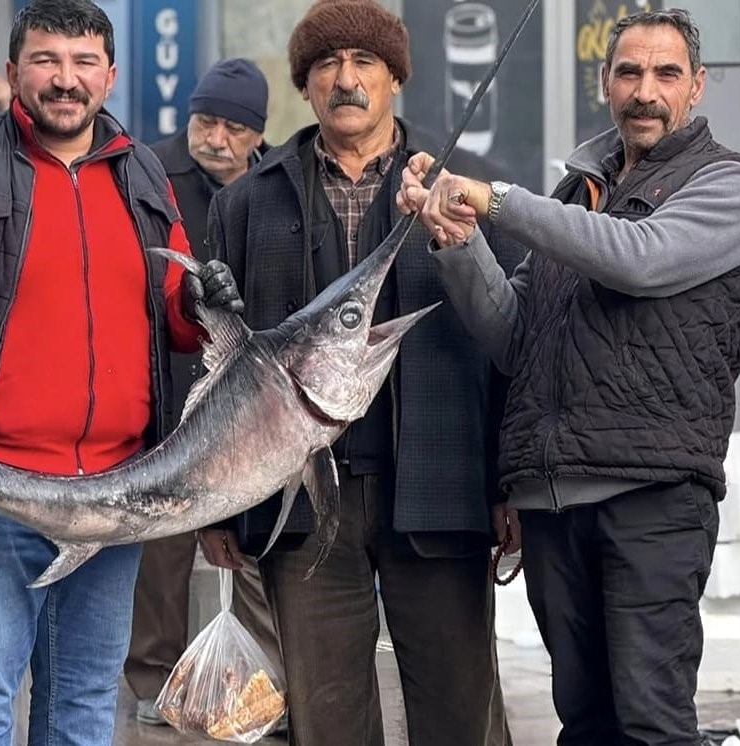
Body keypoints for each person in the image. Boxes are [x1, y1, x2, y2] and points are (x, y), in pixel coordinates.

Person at [0, 1, 244, 744]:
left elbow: (167, 298)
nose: (64, 80)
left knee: (81, 709)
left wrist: (201, 305)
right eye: (45, 61)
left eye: (81, 63)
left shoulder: (142, 170)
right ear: (12, 75)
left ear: (109, 74)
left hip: (113, 496)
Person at [398, 8, 740, 745]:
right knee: (586, 724)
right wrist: (459, 243)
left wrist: (494, 198)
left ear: (697, 86)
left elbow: (639, 258)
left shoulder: (730, 186)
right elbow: (516, 336)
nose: (646, 90)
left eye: (666, 73)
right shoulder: (578, 197)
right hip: (554, 504)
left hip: (653, 499)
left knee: (653, 726)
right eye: (629, 72)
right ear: (604, 82)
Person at [200, 1, 525, 744]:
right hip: (302, 506)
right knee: (328, 720)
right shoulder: (247, 203)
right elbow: (220, 363)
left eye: (364, 64)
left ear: (395, 80)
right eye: (326, 65)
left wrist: (511, 483)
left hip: (441, 494)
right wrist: (220, 504)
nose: (345, 81)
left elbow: (511, 346)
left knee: (459, 714)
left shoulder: (464, 191)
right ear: (305, 86)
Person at [126, 56, 282, 727]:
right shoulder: (150, 173)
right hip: (171, 386)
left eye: (230, 126)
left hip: (251, 396)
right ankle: (154, 682)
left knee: (250, 541)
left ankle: (263, 685)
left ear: (256, 134)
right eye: (204, 120)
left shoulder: (278, 183)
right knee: (162, 547)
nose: (213, 136)